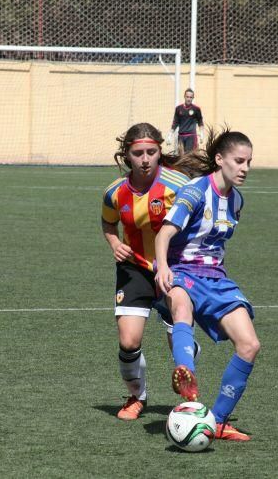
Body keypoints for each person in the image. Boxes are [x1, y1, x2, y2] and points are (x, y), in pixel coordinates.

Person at [154, 127, 259, 442]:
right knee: (182, 307)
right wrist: (162, 269)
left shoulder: (237, 201)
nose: (245, 168)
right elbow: (164, 234)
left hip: (216, 278)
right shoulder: (195, 191)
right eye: (239, 161)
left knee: (250, 345)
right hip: (181, 269)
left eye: (249, 162)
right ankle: (186, 378)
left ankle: (219, 422)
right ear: (219, 159)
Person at [101, 122, 198, 421]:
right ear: (126, 155)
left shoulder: (178, 184)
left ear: (159, 152)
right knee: (128, 341)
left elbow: (200, 216)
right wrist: (115, 242)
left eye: (151, 152)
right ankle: (136, 395)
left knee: (178, 341)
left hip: (175, 267)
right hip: (135, 268)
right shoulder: (114, 192)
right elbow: (108, 222)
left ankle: (188, 397)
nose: (145, 159)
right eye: (138, 153)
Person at [168, 88, 204, 153]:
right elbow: (175, 122)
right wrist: (170, 135)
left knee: (189, 157)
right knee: (180, 157)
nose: (189, 99)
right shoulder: (178, 108)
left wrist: (202, 134)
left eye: (191, 97)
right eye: (187, 97)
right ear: (184, 96)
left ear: (193, 98)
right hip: (181, 136)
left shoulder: (196, 109)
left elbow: (200, 121)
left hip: (191, 136)